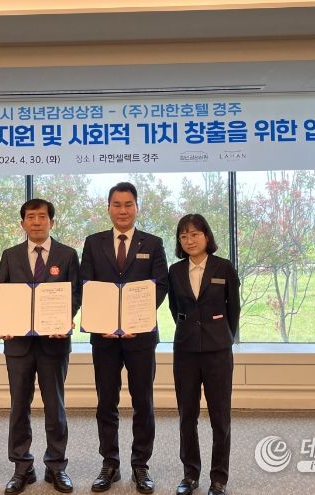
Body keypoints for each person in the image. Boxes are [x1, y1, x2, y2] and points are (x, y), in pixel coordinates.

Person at [80, 182, 168, 494]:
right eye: (116, 204)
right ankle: (110, 463)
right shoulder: (93, 243)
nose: (122, 210)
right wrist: (101, 319)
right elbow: (86, 284)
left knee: (143, 401)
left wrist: (136, 318)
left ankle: (141, 464)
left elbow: (160, 285)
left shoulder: (153, 243)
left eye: (128, 204)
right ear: (108, 208)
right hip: (104, 337)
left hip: (140, 336)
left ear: (137, 207)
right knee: (107, 401)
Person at [0, 199, 82, 495]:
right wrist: (3, 323)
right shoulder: (10, 255)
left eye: (42, 217)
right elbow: (2, 294)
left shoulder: (67, 254)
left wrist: (66, 318)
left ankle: (56, 466)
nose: (36, 222)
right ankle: (22, 467)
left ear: (51, 222)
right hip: (18, 345)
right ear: (22, 223)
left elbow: (75, 294)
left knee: (55, 407)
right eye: (30, 217)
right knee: (19, 406)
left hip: (53, 344)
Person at [167, 214, 240, 495]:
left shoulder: (224, 267)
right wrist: (191, 330)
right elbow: (175, 309)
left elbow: (233, 309)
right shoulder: (175, 271)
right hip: (185, 350)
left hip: (218, 351)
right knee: (187, 415)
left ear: (207, 236)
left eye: (195, 234)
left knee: (220, 417)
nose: (189, 240)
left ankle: (219, 478)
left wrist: (221, 335)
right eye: (183, 236)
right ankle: (190, 475)